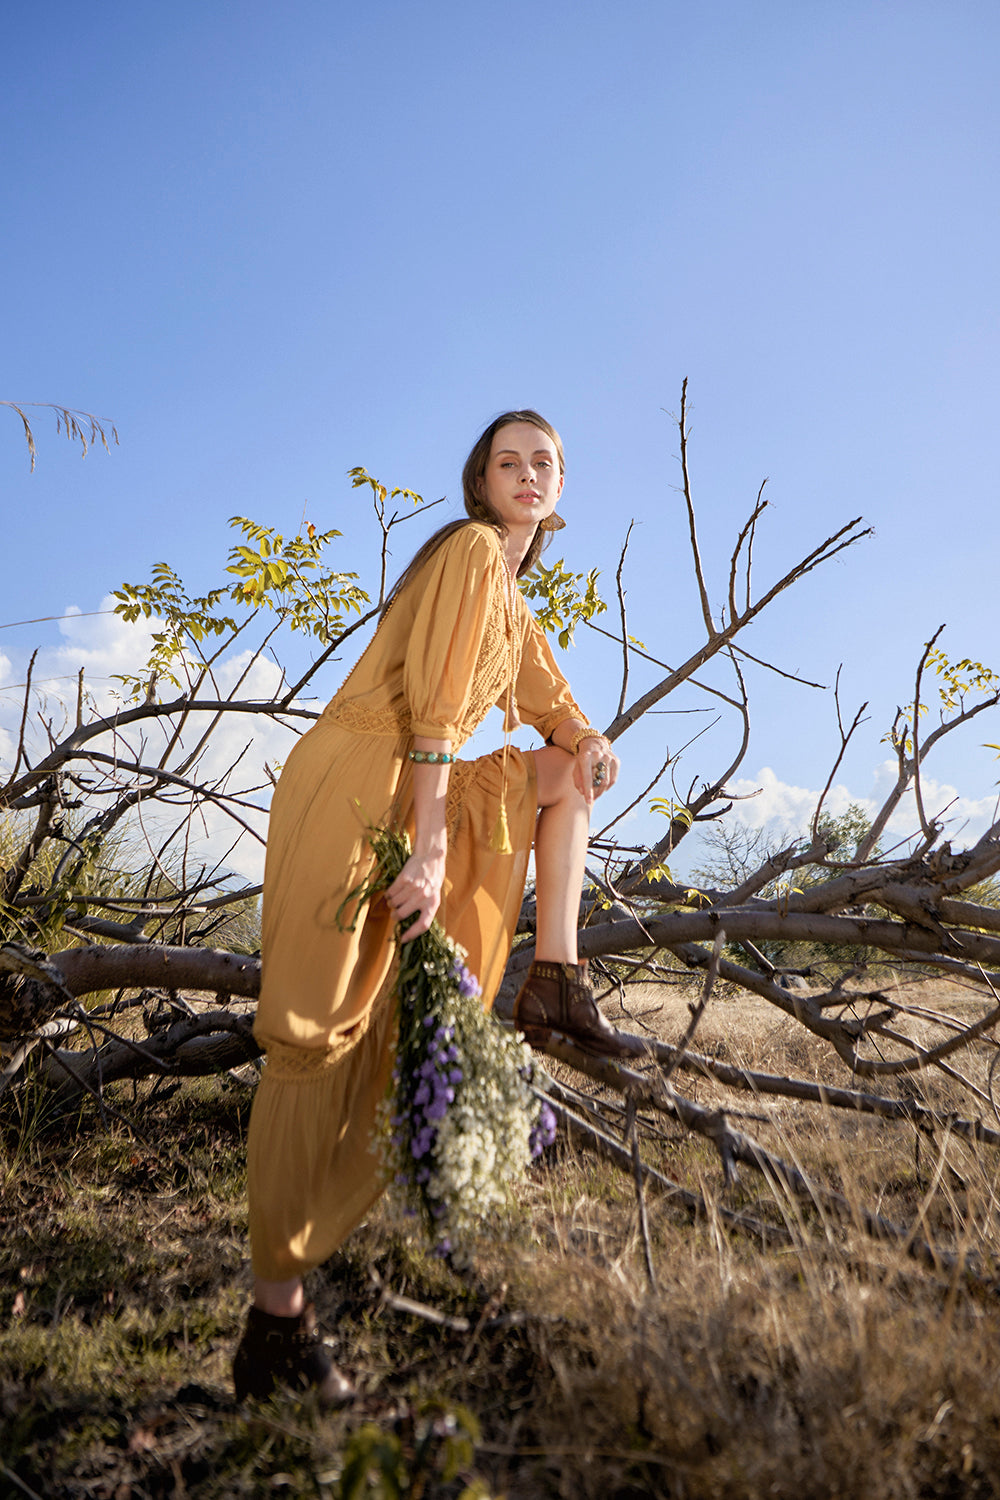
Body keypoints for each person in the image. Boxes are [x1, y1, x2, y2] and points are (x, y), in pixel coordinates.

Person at [232, 410, 623, 1403]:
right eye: (510, 461)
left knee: (562, 777)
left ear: (562, 486)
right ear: (480, 482)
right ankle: (273, 1312)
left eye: (546, 463)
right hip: (361, 784)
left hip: (418, 784)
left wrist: (584, 737)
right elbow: (445, 706)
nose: (529, 474)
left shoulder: (513, 597)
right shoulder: (471, 551)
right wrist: (437, 839)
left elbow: (548, 692)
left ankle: (556, 976)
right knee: (314, 1034)